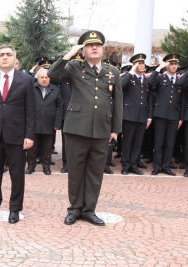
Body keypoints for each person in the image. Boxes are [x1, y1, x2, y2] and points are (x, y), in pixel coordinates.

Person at [47, 30, 123, 226]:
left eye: (97, 45)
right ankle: (74, 209)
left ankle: (89, 210)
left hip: (101, 129)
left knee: (95, 172)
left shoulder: (112, 72)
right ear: (83, 50)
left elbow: (118, 102)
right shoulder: (74, 67)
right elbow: (52, 74)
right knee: (76, 171)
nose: (94, 47)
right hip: (76, 129)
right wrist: (69, 54)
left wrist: (115, 129)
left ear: (103, 49)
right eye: (89, 45)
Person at [0, 44, 36, 224]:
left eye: (8, 54)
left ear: (14, 59)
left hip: (17, 136)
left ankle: (14, 209)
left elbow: (31, 111)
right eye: (1, 55)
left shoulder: (25, 80)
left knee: (17, 175)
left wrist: (29, 135)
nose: (4, 57)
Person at [147, 54, 184, 176]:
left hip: (174, 114)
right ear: (167, 65)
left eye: (175, 64)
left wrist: (181, 117)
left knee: (170, 143)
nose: (174, 66)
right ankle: (157, 166)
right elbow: (149, 82)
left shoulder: (179, 80)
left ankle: (167, 166)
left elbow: (182, 99)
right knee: (159, 142)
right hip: (161, 114)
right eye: (171, 64)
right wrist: (158, 68)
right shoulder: (160, 77)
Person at [120, 54, 153, 175]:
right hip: (129, 115)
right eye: (139, 63)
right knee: (127, 142)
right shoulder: (129, 78)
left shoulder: (146, 79)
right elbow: (121, 85)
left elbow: (149, 98)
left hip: (142, 115)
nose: (142, 65)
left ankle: (134, 165)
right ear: (134, 65)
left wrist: (149, 116)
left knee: (138, 143)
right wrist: (130, 72)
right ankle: (125, 165)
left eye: (143, 63)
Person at [26, 68, 63, 175]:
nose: (44, 79)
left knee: (47, 148)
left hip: (49, 123)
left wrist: (57, 123)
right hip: (34, 123)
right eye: (42, 77)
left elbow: (59, 106)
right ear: (38, 78)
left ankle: (46, 166)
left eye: (46, 77)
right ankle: (30, 166)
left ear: (49, 78)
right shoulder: (31, 88)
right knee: (32, 148)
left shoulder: (56, 90)